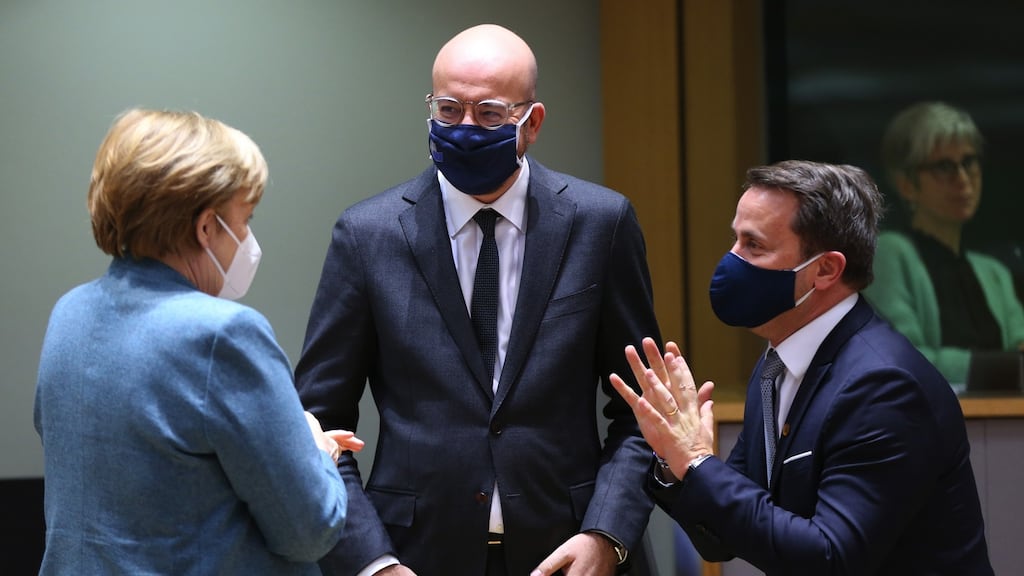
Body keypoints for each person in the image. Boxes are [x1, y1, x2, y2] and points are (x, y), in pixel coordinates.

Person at [295, 23, 661, 576]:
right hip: (414, 555)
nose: (464, 129)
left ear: (531, 122)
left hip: (570, 549)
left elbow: (644, 412)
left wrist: (606, 535)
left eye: (489, 114)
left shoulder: (600, 223)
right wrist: (372, 561)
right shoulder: (367, 234)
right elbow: (316, 425)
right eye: (448, 110)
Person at [610, 160, 994, 575]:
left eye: (754, 245)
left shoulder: (884, 387)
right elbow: (720, 539)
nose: (731, 260)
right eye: (735, 239)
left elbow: (829, 558)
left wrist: (699, 464)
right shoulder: (776, 366)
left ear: (825, 269)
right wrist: (678, 464)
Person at [34, 108, 364, 575]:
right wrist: (316, 451)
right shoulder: (223, 336)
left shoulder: (70, 313)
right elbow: (310, 529)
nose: (248, 238)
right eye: (245, 219)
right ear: (207, 227)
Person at [863, 101, 1024, 389]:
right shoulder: (889, 253)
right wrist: (1002, 365)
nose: (962, 179)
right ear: (906, 184)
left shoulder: (994, 272)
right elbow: (904, 358)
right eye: (944, 167)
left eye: (969, 162)